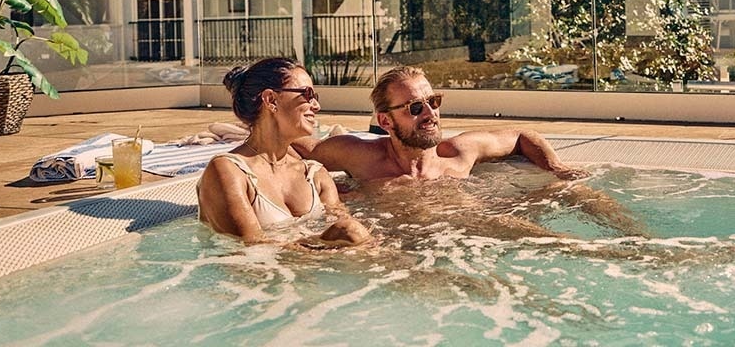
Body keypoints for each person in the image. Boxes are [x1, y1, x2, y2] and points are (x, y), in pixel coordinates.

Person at [297, 65, 589, 183]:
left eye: (432, 101)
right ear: (385, 121)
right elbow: (302, 148)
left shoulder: (459, 152)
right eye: (415, 107)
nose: (430, 113)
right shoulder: (359, 155)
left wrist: (555, 168)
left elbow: (524, 135)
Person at [196, 57, 374, 246]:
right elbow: (249, 251)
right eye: (307, 94)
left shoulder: (315, 174)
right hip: (259, 271)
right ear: (271, 100)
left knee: (351, 229)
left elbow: (343, 223)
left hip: (304, 269)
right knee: (350, 232)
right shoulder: (228, 171)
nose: (316, 106)